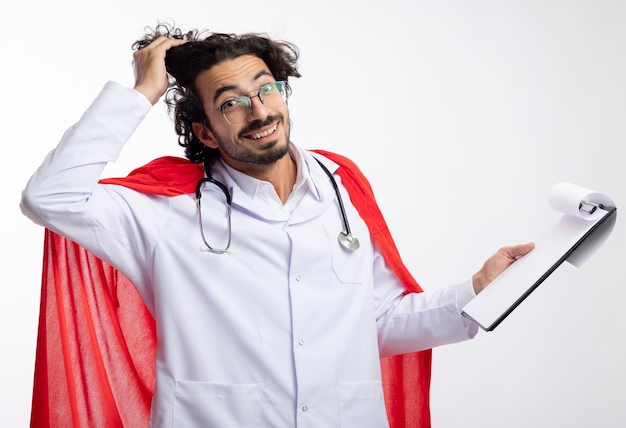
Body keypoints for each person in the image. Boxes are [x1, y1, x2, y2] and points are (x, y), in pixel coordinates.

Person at [21, 22, 534, 428]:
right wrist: (142, 91)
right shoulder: (162, 212)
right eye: (231, 103)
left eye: (266, 89)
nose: (259, 110)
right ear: (205, 131)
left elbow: (375, 323)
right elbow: (49, 197)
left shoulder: (342, 187)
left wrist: (476, 293)